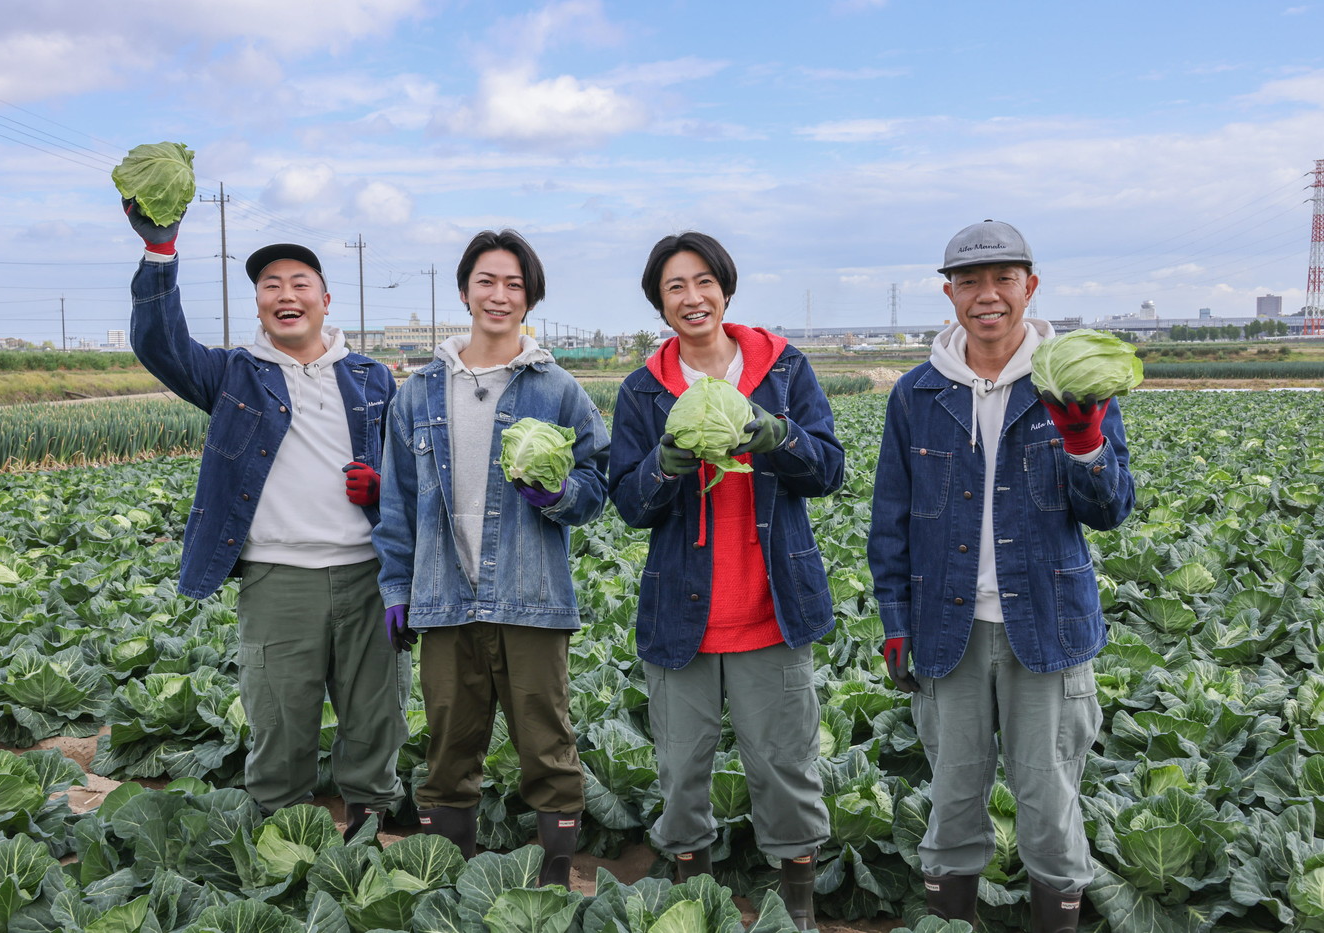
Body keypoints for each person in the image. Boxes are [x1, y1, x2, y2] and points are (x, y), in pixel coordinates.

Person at [868, 220, 1135, 931]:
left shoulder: (1071, 380)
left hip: (1045, 628)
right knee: (953, 802)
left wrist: (1086, 443)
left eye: (1003, 279)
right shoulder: (917, 394)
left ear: (1030, 287)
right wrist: (895, 623)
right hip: (947, 628)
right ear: (949, 293)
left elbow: (1112, 509)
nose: (987, 295)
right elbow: (889, 523)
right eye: (970, 281)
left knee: (1048, 805)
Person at [123, 200, 409, 841]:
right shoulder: (232, 375)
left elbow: (410, 480)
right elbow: (158, 343)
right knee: (279, 717)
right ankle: (282, 837)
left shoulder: (372, 378)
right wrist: (160, 252)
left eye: (299, 284)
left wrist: (384, 490)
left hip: (367, 575)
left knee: (376, 713)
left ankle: (369, 822)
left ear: (326, 300)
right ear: (258, 304)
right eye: (270, 286)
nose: (286, 295)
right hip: (279, 576)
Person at [607, 231, 845, 930]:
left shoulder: (783, 369)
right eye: (675, 286)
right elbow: (627, 502)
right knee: (683, 773)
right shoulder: (643, 390)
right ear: (660, 302)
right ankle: (696, 901)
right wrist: (666, 462)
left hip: (773, 605)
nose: (692, 297)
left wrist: (778, 435)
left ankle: (796, 907)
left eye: (703, 281)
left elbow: (829, 470)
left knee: (786, 768)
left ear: (726, 290)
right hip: (681, 615)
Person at [372, 229, 609, 889]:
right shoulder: (418, 392)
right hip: (445, 597)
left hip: (531, 598)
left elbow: (600, 481)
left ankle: (555, 883)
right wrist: (397, 587)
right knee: (448, 751)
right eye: (487, 280)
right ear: (465, 290)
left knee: (548, 748)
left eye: (513, 284)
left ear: (529, 296)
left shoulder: (557, 389)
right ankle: (448, 884)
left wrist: (563, 493)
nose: (499, 295)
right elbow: (397, 501)